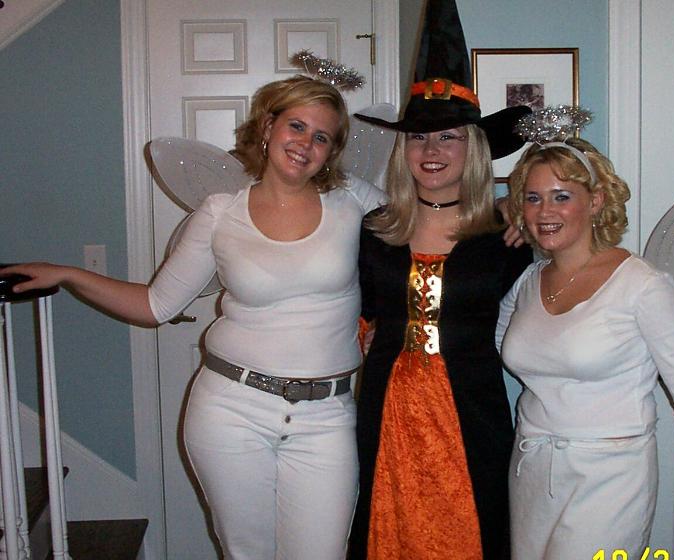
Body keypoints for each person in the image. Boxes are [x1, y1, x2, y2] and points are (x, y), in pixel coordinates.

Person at [1, 75, 386, 560]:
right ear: (268, 126)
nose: (305, 144)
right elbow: (156, 305)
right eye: (296, 126)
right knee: (247, 553)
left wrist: (391, 322)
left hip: (327, 417)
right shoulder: (220, 213)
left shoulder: (355, 200)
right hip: (232, 411)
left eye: (321, 136)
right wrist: (68, 274)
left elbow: (421, 248)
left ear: (331, 151)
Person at [496, 132, 674, 559]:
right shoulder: (528, 281)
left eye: (562, 196)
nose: (545, 211)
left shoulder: (642, 285)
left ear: (596, 201)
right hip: (532, 466)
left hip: (611, 475)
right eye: (533, 198)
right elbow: (498, 341)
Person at [347, 1, 532, 558]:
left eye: (448, 137)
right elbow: (353, 313)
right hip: (387, 415)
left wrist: (523, 211)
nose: (431, 151)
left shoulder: (505, 236)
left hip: (472, 418)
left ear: (472, 149)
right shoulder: (374, 231)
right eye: (419, 138)